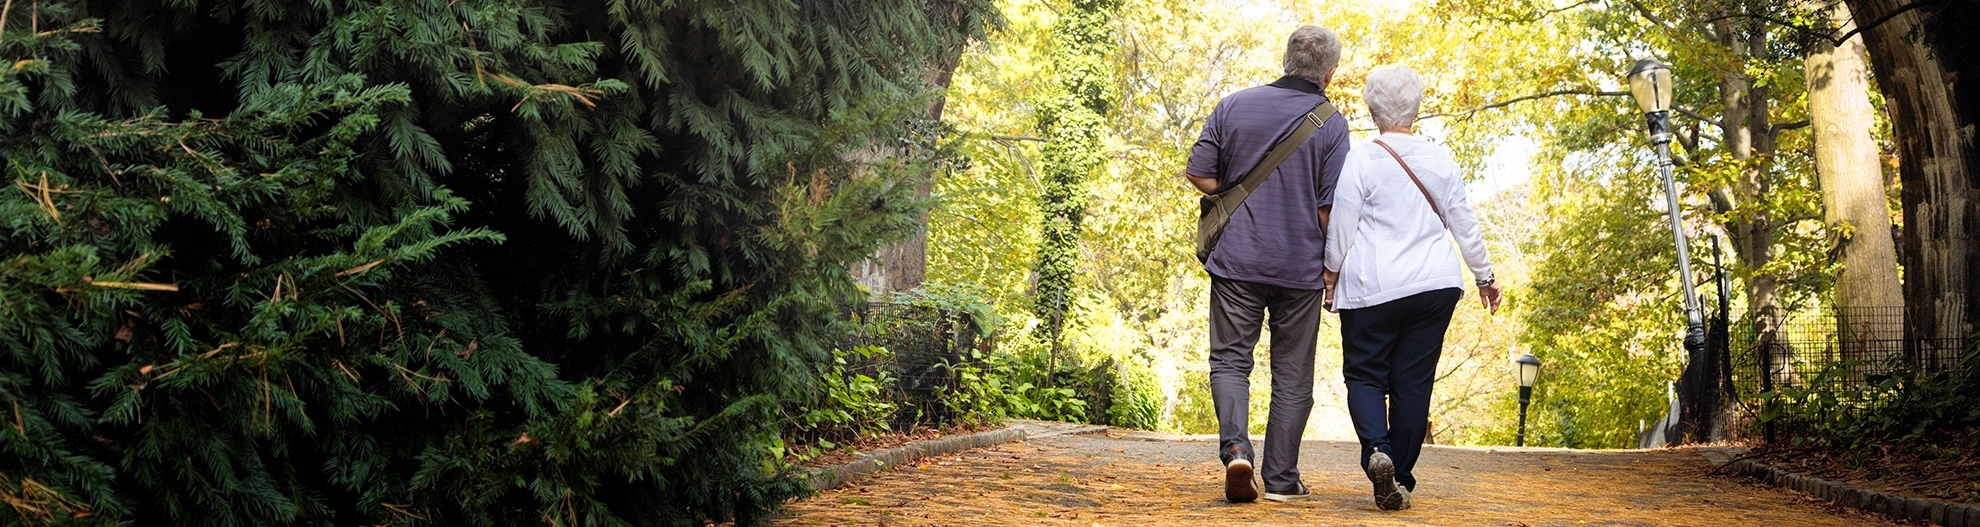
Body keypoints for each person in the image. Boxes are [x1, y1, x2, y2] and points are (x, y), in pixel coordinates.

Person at [1322, 64, 1502, 511]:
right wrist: (1485, 276)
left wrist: (1330, 274)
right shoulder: (1440, 158)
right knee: (1412, 381)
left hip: (1374, 286)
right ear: (1417, 108)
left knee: (1364, 374)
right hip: (1434, 285)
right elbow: (1464, 223)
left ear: (1371, 108)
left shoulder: (1361, 158)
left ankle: (1376, 451)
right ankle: (1398, 476)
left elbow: (1342, 223)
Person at [1183, 25, 1350, 504]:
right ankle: (1281, 479)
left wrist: (1236, 195)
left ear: (1285, 59)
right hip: (1300, 268)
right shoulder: (1332, 123)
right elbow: (1327, 210)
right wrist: (1333, 266)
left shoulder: (1234, 104)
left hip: (1237, 259)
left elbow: (1200, 173)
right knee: (1293, 375)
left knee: (1231, 360)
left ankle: (1237, 450)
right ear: (1330, 74)